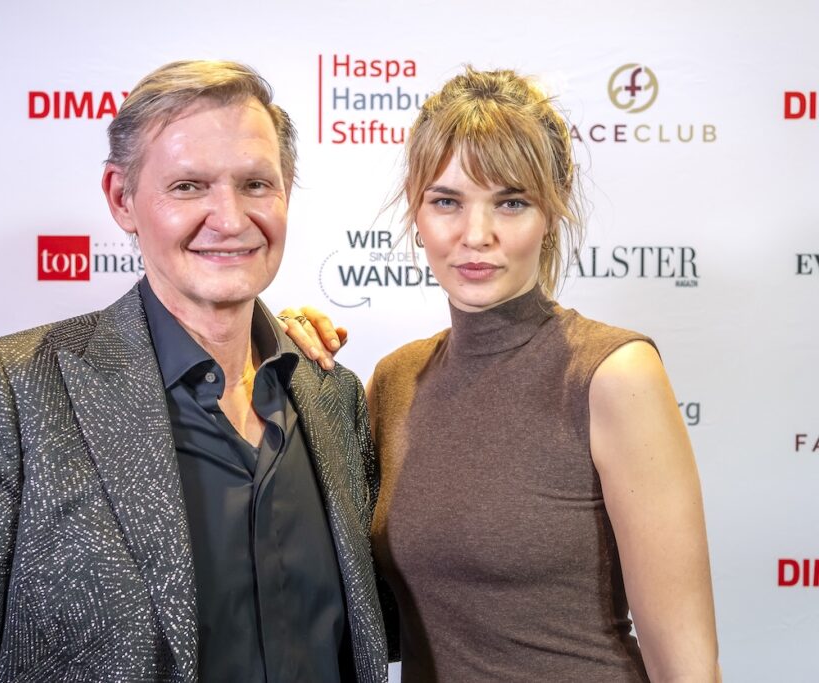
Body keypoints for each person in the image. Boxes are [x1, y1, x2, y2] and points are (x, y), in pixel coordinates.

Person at [0, 60, 388, 683]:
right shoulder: (15, 389)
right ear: (122, 198)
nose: (230, 219)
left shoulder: (333, 394)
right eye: (189, 186)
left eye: (256, 184)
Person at [280, 67, 719, 681]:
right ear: (416, 210)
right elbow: (354, 604)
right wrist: (270, 342)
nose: (476, 235)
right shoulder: (395, 379)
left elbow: (689, 667)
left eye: (511, 202)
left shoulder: (613, 372)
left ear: (552, 212)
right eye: (447, 202)